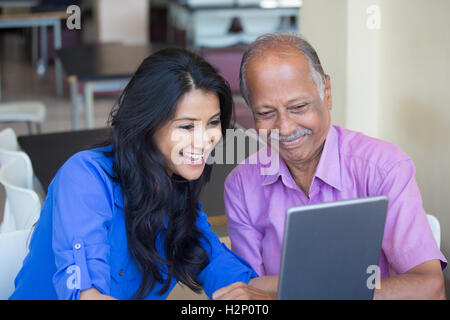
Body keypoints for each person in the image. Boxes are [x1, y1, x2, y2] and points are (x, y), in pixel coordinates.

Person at [9, 48, 275, 300]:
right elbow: (86, 291)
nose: (204, 140)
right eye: (186, 126)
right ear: (147, 123)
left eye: (213, 123)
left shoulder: (175, 188)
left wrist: (258, 291)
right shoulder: (85, 177)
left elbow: (215, 260)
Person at [224, 33, 447, 299]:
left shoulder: (384, 167)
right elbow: (247, 288)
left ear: (326, 93)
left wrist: (296, 292)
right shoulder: (241, 185)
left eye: (299, 106)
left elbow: (431, 287)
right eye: (265, 113)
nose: (284, 128)